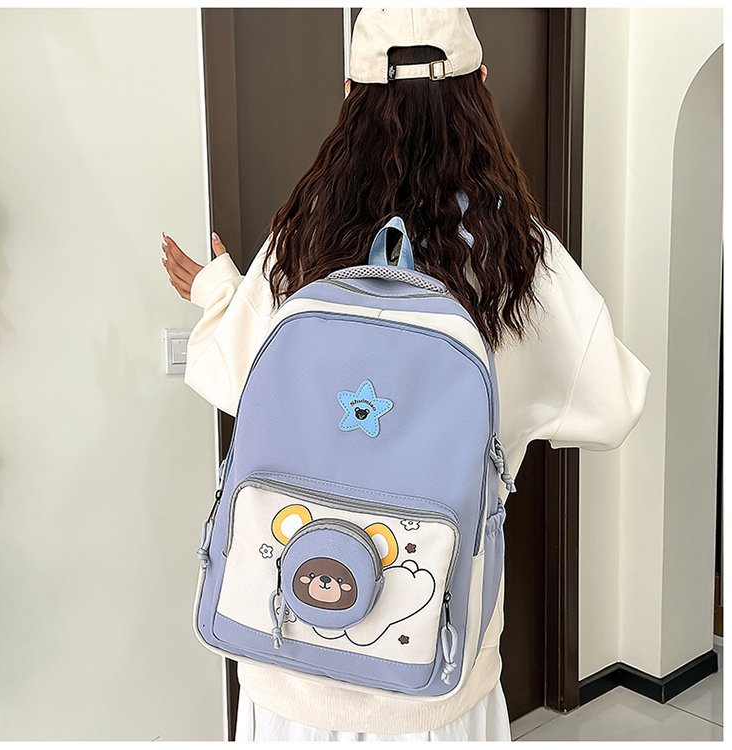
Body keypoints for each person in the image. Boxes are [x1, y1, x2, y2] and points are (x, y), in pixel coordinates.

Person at [161, 7, 651, 742]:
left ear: (348, 94)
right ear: (481, 88)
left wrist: (218, 291)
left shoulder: (306, 236)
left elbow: (239, 378)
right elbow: (613, 406)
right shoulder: (519, 256)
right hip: (432, 667)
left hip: (285, 647)